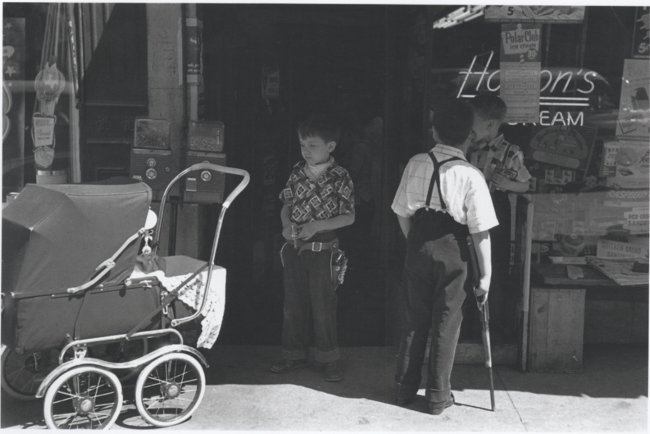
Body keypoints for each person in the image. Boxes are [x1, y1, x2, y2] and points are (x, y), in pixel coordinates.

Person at [391, 98, 497, 415]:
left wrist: (415, 240)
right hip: (454, 251)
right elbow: (480, 231)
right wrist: (486, 275)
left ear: (434, 131)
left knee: (414, 318)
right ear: (470, 136)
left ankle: (403, 389)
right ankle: (437, 396)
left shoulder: (415, 163)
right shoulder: (471, 174)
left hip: (419, 244)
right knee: (446, 322)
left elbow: (400, 211)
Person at [271, 113, 355, 382]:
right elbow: (286, 205)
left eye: (313, 145)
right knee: (292, 304)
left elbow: (349, 216)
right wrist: (286, 225)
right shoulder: (297, 172)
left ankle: (329, 358)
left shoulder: (340, 177)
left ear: (330, 147)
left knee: (323, 304)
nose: (306, 151)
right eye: (302, 145)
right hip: (295, 247)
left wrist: (316, 226)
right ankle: (292, 354)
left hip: (323, 249)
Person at [468, 94, 532, 335]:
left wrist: (508, 183)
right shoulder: (469, 148)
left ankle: (492, 326)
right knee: (471, 262)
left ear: (491, 124)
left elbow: (526, 184)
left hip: (497, 208)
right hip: (471, 206)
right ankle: (471, 323)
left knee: (495, 263)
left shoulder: (511, 152)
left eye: (473, 122)